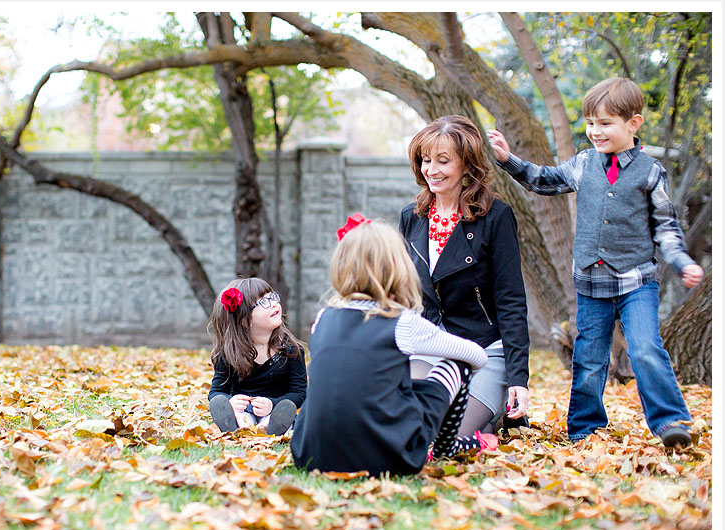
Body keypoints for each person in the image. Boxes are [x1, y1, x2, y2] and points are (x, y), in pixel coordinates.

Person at [487, 76, 704, 449]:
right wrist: (508, 160)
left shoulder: (651, 172)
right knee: (588, 356)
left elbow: (666, 226)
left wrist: (681, 260)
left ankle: (670, 422)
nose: (594, 131)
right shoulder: (583, 164)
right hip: (591, 281)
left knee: (645, 349)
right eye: (590, 123)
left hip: (637, 279)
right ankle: (585, 426)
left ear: (633, 124)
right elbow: (544, 180)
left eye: (605, 123)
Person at [290, 216, 494, 476]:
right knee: (458, 364)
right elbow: (476, 355)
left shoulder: (322, 319)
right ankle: (446, 448)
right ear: (399, 268)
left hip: (310, 455)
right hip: (389, 458)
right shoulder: (400, 323)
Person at [400, 115, 531, 439]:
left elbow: (511, 300)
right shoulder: (410, 217)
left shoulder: (496, 217)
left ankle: (494, 416)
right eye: (426, 160)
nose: (432, 169)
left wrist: (518, 379)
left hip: (485, 348)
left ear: (466, 165)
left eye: (443, 161)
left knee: (450, 434)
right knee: (416, 428)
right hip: (431, 342)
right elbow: (402, 294)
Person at [207, 277, 306, 436]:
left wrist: (272, 405)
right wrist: (230, 402)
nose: (274, 303)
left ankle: (272, 428)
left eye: (273, 297)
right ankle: (235, 427)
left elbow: (299, 392)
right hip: (244, 409)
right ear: (245, 321)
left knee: (278, 418)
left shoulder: (291, 350)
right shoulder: (230, 352)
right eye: (264, 302)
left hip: (275, 409)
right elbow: (216, 391)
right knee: (242, 419)